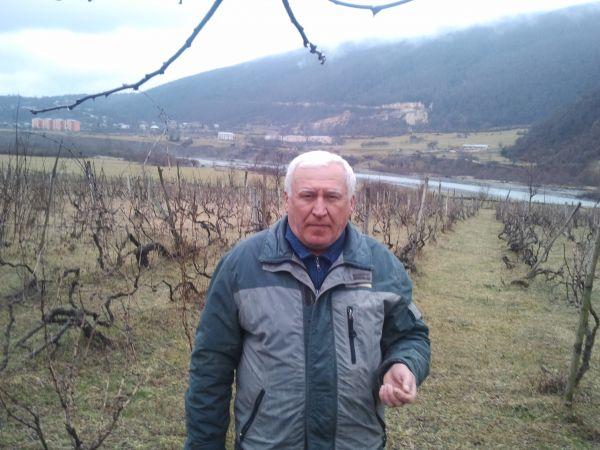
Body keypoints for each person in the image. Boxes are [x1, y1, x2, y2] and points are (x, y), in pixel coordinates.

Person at [185, 150, 430, 449]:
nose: (319, 209)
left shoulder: (382, 266)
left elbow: (411, 336)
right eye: (307, 196)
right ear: (287, 200)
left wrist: (404, 363)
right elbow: (211, 366)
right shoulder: (241, 266)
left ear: (352, 204)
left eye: (332, 197)